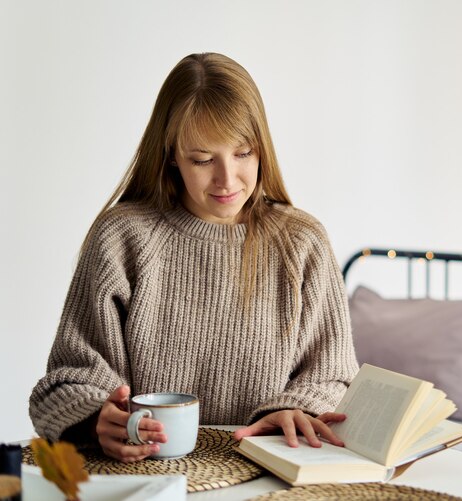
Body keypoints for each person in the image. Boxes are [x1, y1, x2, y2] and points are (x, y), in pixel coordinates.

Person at [29, 52, 359, 463]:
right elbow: (67, 379)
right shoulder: (122, 238)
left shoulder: (302, 242)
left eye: (243, 153)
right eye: (202, 159)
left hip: (271, 472)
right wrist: (97, 419)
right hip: (143, 475)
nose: (227, 179)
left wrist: (294, 408)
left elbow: (333, 374)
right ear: (170, 154)